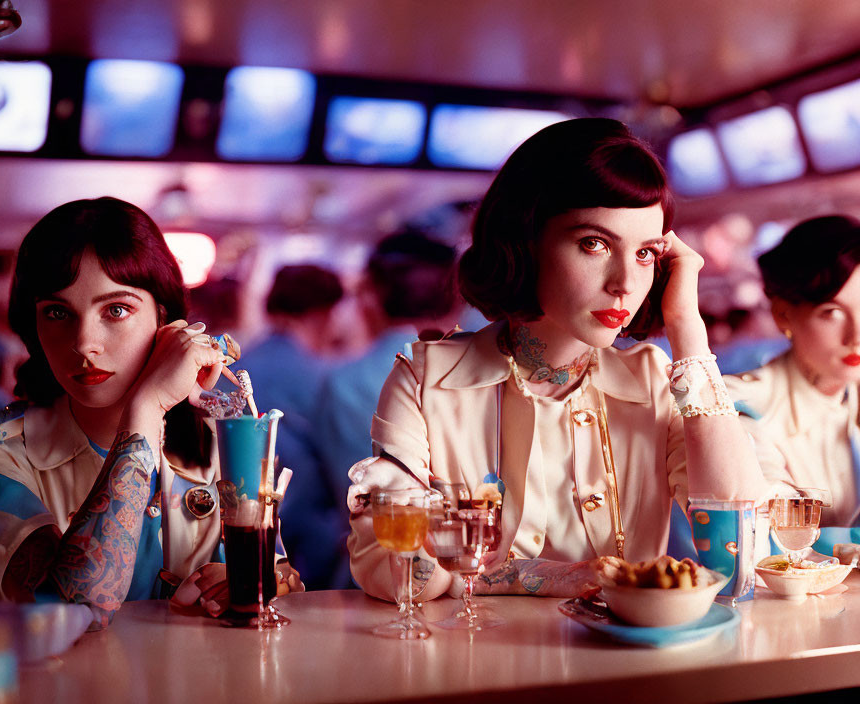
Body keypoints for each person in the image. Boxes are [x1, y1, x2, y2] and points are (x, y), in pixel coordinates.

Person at [346, 118, 768, 602]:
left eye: (647, 253)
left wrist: (688, 332)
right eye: (595, 243)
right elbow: (394, 574)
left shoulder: (657, 381)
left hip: (633, 664)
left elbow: (740, 555)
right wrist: (542, 576)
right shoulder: (425, 381)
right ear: (525, 241)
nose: (625, 282)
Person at [0, 197, 300, 628]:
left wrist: (253, 583)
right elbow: (71, 611)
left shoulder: (220, 444)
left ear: (165, 319)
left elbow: (282, 573)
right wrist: (146, 409)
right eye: (57, 312)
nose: (85, 343)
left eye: (116, 310)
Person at [315, 230, 461, 587]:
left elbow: (351, 495)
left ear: (372, 296)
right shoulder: (473, 370)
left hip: (377, 571)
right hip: (471, 564)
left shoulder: (345, 381)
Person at [725, 215, 860, 546]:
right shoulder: (742, 404)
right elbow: (777, 536)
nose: (856, 336)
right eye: (831, 312)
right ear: (783, 313)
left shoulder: (851, 392)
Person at [237, 264, 346, 590]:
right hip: (308, 538)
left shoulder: (237, 367)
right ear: (322, 313)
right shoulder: (323, 375)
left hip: (241, 527)